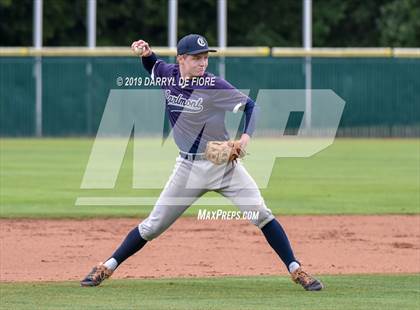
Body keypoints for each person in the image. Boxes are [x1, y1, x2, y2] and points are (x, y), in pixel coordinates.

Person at [81, 34, 323, 291]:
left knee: (261, 214)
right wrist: (145, 53)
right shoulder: (168, 75)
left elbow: (252, 107)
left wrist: (244, 139)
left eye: (206, 57)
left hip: (223, 167)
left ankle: (296, 270)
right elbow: (152, 65)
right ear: (181, 59)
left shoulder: (214, 85)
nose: (203, 63)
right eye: (197, 58)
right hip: (187, 168)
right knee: (152, 226)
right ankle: (106, 267)